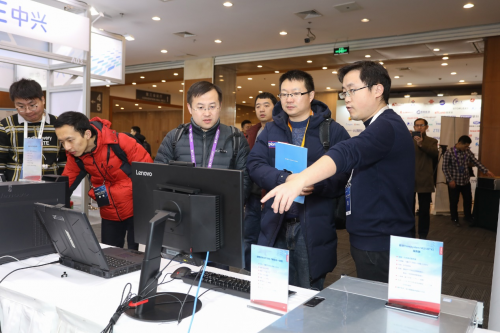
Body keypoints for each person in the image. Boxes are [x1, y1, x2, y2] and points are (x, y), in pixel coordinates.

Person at [262, 61, 415, 284]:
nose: (347, 98)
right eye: (345, 92)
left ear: (377, 90)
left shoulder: (386, 125)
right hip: (375, 238)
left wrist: (298, 181)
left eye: (353, 90)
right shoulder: (378, 125)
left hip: (381, 242)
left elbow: (346, 152)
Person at [247, 70, 350, 289]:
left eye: (295, 93)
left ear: (311, 95)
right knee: (271, 290)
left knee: (308, 293)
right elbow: (254, 164)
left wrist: (313, 183)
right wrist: (285, 179)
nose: (289, 99)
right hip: (275, 221)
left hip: (312, 223)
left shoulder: (332, 131)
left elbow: (343, 174)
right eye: (284, 94)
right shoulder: (271, 129)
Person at [54, 112, 153, 249]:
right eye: (62, 142)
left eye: (70, 140)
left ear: (87, 134)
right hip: (108, 210)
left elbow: (148, 177)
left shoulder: (122, 142)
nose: (67, 147)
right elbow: (65, 185)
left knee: (139, 257)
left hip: (137, 210)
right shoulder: (75, 156)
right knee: (109, 255)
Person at [155, 81, 251, 197]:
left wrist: (228, 208)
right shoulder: (174, 137)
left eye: (212, 107)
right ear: (189, 108)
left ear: (220, 106)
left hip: (222, 211)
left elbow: (245, 180)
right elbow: (160, 178)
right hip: (183, 210)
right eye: (200, 107)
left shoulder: (235, 138)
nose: (207, 113)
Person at [0, 79, 66, 181]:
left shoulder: (58, 124)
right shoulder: (5, 125)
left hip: (50, 185)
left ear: (43, 100)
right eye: (21, 106)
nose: (28, 111)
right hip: (15, 188)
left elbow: (64, 160)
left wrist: (63, 184)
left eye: (32, 105)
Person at [243, 92, 277, 271]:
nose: (261, 109)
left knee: (269, 239)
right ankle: (248, 274)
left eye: (266, 105)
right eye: (258, 106)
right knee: (249, 236)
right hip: (253, 196)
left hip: (272, 195)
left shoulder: (281, 130)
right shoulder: (252, 131)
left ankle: (266, 276)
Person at [442, 135, 495, 227]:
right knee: (454, 201)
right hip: (454, 181)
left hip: (465, 180)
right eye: (465, 146)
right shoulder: (449, 152)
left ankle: (468, 216)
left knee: (468, 199)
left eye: (468, 146)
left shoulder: (467, 152)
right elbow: (445, 167)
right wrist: (450, 180)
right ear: (459, 143)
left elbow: (476, 162)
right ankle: (454, 218)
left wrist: (486, 171)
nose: (466, 148)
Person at [412, 118, 438, 239]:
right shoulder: (407, 140)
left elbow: (434, 153)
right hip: (409, 180)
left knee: (424, 211)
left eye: (422, 125)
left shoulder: (432, 141)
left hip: (425, 180)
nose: (419, 127)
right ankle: (410, 233)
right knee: (408, 210)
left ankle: (423, 234)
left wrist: (421, 144)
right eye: (417, 125)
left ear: (426, 127)